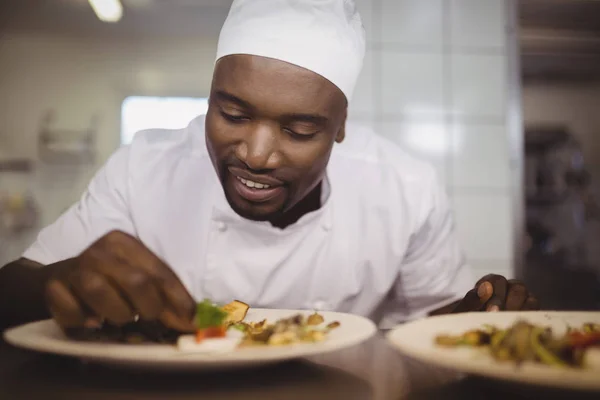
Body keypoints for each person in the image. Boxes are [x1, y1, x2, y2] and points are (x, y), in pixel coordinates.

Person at [0, 0, 538, 333]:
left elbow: (429, 331)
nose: (255, 153)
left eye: (299, 131)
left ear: (340, 126)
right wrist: (62, 277)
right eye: (231, 113)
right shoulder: (143, 169)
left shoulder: (405, 190)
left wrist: (475, 315)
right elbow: (12, 291)